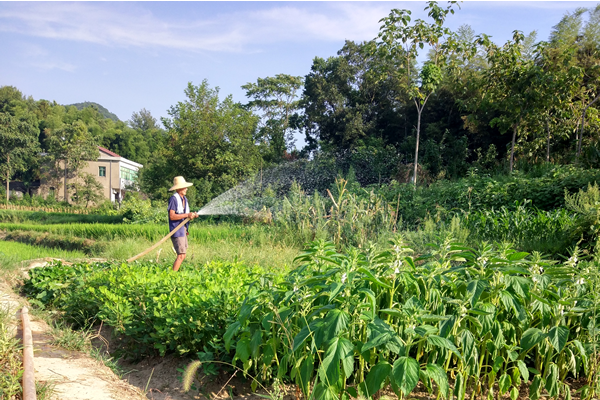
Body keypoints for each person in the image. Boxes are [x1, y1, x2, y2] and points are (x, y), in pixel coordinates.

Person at [168, 176, 198, 271]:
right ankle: (172, 276)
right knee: (181, 255)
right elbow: (172, 216)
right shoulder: (174, 199)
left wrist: (192, 215)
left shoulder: (185, 199)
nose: (186, 189)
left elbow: (185, 216)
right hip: (177, 230)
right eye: (184, 187)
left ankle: (173, 274)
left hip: (183, 230)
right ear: (179, 188)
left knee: (183, 255)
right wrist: (187, 215)